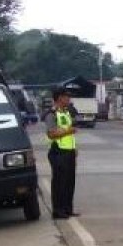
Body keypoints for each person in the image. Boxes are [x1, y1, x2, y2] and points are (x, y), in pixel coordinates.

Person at [46, 88, 79, 220]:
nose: (69, 99)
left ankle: (67, 209)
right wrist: (68, 131)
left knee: (70, 182)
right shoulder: (51, 114)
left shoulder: (65, 112)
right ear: (59, 98)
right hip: (58, 152)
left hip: (69, 151)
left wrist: (74, 149)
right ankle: (58, 211)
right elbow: (51, 133)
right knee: (59, 182)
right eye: (67, 97)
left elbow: (69, 134)